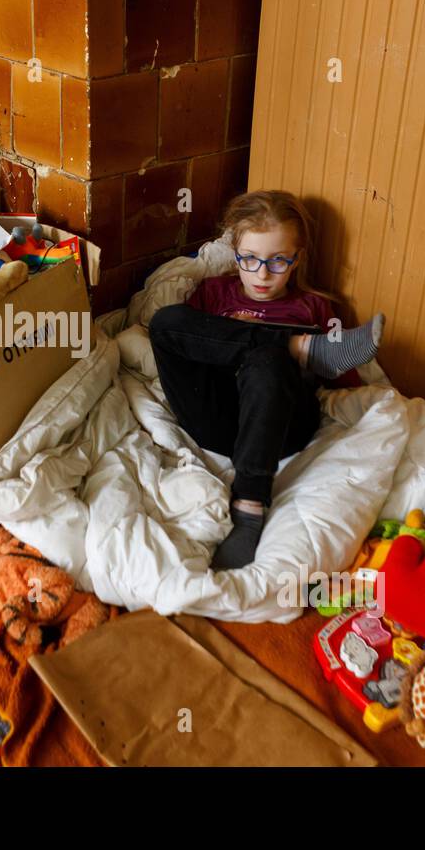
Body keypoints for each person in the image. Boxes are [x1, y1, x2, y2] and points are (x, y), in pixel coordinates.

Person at [149, 191, 385, 570]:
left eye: (278, 261)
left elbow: (347, 380)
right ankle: (296, 346)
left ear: (298, 259)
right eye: (250, 259)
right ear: (235, 253)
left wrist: (282, 356)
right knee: (165, 322)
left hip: (281, 425)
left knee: (268, 358)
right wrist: (236, 336)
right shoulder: (213, 293)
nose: (262, 273)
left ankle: (249, 506)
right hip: (215, 416)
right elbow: (187, 345)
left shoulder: (313, 307)